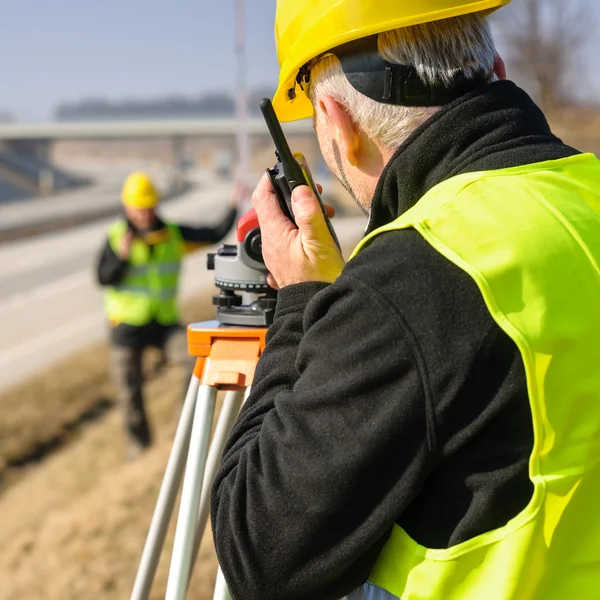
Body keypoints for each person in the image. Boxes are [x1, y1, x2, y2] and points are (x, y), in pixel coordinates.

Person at [210, 1, 600, 599]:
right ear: (495, 70)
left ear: (334, 121)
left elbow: (261, 555)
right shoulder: (586, 192)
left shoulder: (410, 279)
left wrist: (300, 303)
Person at [96, 171, 237, 457]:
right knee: (129, 392)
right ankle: (139, 448)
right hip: (126, 327)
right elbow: (103, 277)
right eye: (139, 207)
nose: (144, 213)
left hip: (163, 323)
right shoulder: (115, 238)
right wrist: (121, 256)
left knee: (194, 361)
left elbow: (213, 233)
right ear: (127, 207)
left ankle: (182, 430)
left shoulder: (172, 234)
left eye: (148, 207)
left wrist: (234, 205)